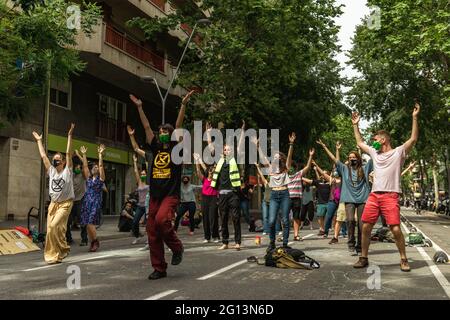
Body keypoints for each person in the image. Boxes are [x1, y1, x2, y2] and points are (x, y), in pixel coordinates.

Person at [129, 90, 194, 280]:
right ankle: (159, 268)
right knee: (152, 230)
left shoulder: (176, 150)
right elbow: (146, 125)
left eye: (166, 131)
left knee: (162, 221)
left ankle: (177, 247)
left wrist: (183, 105)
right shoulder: (155, 148)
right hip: (155, 196)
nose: (163, 133)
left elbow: (179, 124)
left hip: (170, 194)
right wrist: (140, 108)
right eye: (162, 132)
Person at [352, 101, 420, 272]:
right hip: (374, 195)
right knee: (365, 226)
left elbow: (413, 139)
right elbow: (360, 143)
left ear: (383, 139)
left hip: (390, 195)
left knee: (395, 228)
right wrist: (356, 125)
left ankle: (403, 259)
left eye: (374, 139)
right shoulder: (374, 153)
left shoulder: (398, 153)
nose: (372, 142)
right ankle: (363, 257)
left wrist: (414, 118)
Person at [317, 140, 373, 253]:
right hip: (349, 199)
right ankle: (351, 243)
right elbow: (334, 159)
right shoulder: (344, 169)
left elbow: (373, 157)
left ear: (358, 158)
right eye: (350, 157)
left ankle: (359, 245)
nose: (352, 159)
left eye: (354, 157)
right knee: (351, 220)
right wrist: (324, 146)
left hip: (362, 199)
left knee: (362, 224)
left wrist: (367, 147)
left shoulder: (365, 168)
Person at [32, 123, 75, 264]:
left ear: (62, 162)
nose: (55, 161)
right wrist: (39, 141)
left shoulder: (67, 171)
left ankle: (60, 251)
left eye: (57, 159)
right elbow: (43, 156)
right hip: (53, 204)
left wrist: (69, 135)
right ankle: (56, 254)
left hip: (65, 204)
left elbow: (68, 153)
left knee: (54, 226)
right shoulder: (51, 170)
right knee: (51, 230)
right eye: (54, 159)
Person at [256, 133, 296, 249]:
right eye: (274, 157)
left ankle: (285, 244)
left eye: (278, 156)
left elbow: (289, 157)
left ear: (281, 159)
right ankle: (272, 242)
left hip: (284, 195)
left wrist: (291, 144)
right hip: (274, 195)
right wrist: (258, 146)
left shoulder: (285, 168)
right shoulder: (270, 168)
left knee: (285, 220)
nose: (275, 158)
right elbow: (263, 159)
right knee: (272, 220)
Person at [211, 143, 242, 250]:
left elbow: (240, 146)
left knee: (235, 218)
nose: (227, 151)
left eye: (229, 150)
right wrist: (209, 134)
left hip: (233, 193)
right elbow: (211, 148)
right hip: (222, 194)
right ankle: (225, 242)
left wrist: (242, 133)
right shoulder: (219, 162)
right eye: (226, 150)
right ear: (223, 152)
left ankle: (238, 242)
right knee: (223, 219)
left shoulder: (234, 160)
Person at [80, 144, 106, 252]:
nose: (95, 168)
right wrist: (84, 155)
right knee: (87, 225)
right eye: (93, 167)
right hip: (87, 202)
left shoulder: (101, 179)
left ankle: (95, 241)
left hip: (95, 202)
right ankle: (92, 242)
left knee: (90, 223)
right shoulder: (89, 179)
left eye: (97, 167)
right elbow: (85, 167)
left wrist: (100, 155)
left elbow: (101, 166)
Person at [289, 149, 314, 241]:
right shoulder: (285, 175)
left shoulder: (298, 174)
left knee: (296, 217)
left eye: (292, 167)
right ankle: (285, 234)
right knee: (284, 217)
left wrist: (310, 155)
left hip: (297, 198)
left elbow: (307, 166)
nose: (291, 168)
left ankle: (296, 235)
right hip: (287, 198)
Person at [194, 153, 220, 243]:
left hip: (213, 198)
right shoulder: (204, 179)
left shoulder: (215, 179)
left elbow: (208, 168)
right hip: (205, 199)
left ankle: (215, 236)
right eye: (210, 170)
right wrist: (197, 161)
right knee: (205, 218)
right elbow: (198, 171)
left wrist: (200, 160)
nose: (211, 171)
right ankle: (207, 237)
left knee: (213, 218)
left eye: (212, 171)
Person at [66, 154, 87, 245]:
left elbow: (85, 165)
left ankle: (84, 239)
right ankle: (68, 239)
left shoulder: (83, 174)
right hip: (70, 201)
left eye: (79, 165)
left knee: (82, 221)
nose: (78, 167)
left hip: (80, 200)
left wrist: (80, 156)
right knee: (67, 221)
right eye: (76, 166)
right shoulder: (70, 173)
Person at [130, 153, 149, 244]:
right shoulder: (139, 182)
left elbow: (150, 170)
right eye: (142, 174)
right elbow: (135, 171)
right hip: (140, 206)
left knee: (148, 223)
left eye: (144, 174)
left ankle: (149, 238)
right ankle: (137, 236)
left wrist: (147, 162)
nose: (142, 175)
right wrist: (134, 162)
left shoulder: (149, 182)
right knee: (134, 222)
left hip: (148, 206)